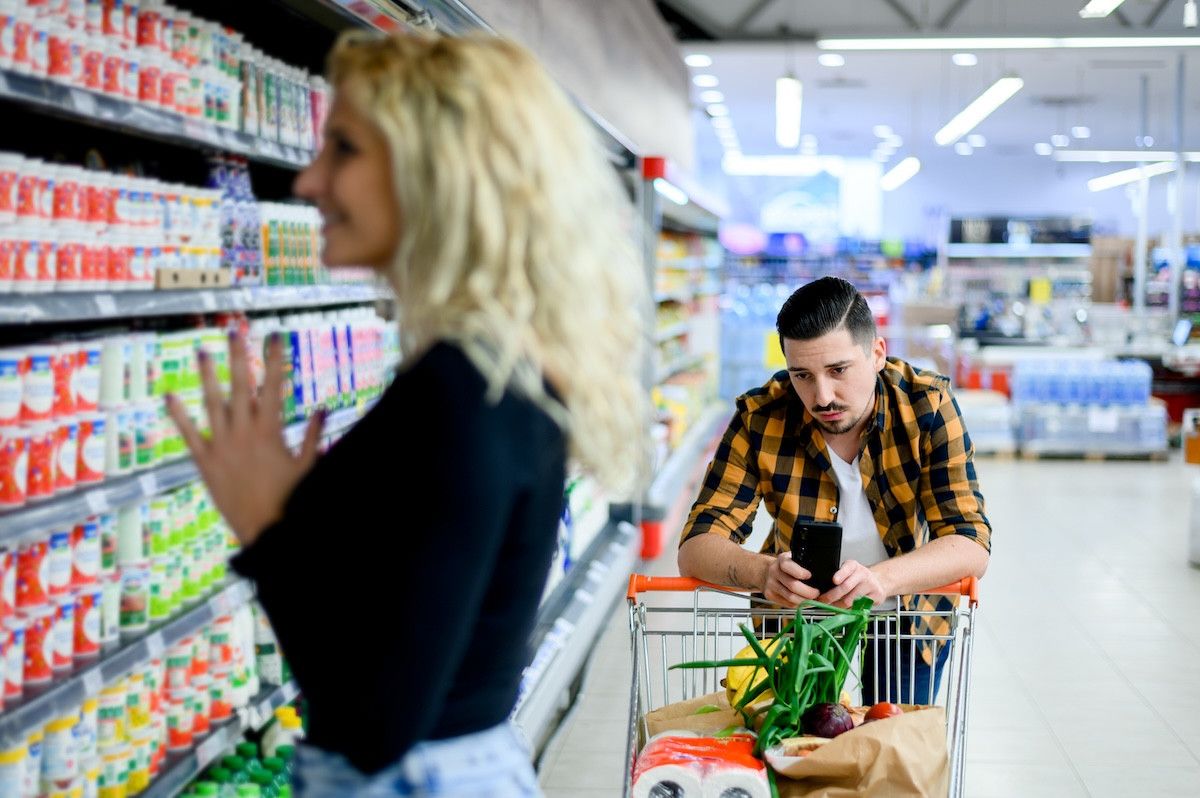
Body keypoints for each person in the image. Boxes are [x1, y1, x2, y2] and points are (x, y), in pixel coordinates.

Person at [167, 30, 647, 797]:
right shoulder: (499, 369)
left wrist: (267, 532)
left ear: (440, 172)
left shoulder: (463, 391)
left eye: (345, 150)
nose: (309, 183)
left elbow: (374, 721)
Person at [677, 276, 990, 703]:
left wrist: (880, 579)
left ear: (877, 353)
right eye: (802, 374)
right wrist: (764, 573)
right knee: (797, 753)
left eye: (838, 370)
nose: (822, 396)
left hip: (907, 612)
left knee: (887, 752)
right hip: (797, 617)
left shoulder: (926, 406)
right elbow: (696, 546)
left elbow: (971, 543)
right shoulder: (762, 416)